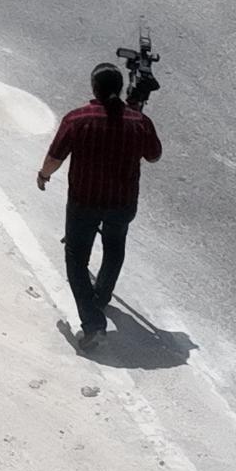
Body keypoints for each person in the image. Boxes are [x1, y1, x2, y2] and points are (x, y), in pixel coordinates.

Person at [35, 61, 163, 341]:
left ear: (94, 89)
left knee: (76, 259)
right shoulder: (138, 122)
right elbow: (154, 156)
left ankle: (93, 323)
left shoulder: (78, 118)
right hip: (122, 202)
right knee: (114, 247)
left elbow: (55, 157)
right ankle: (101, 297)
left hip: (84, 201)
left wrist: (44, 175)